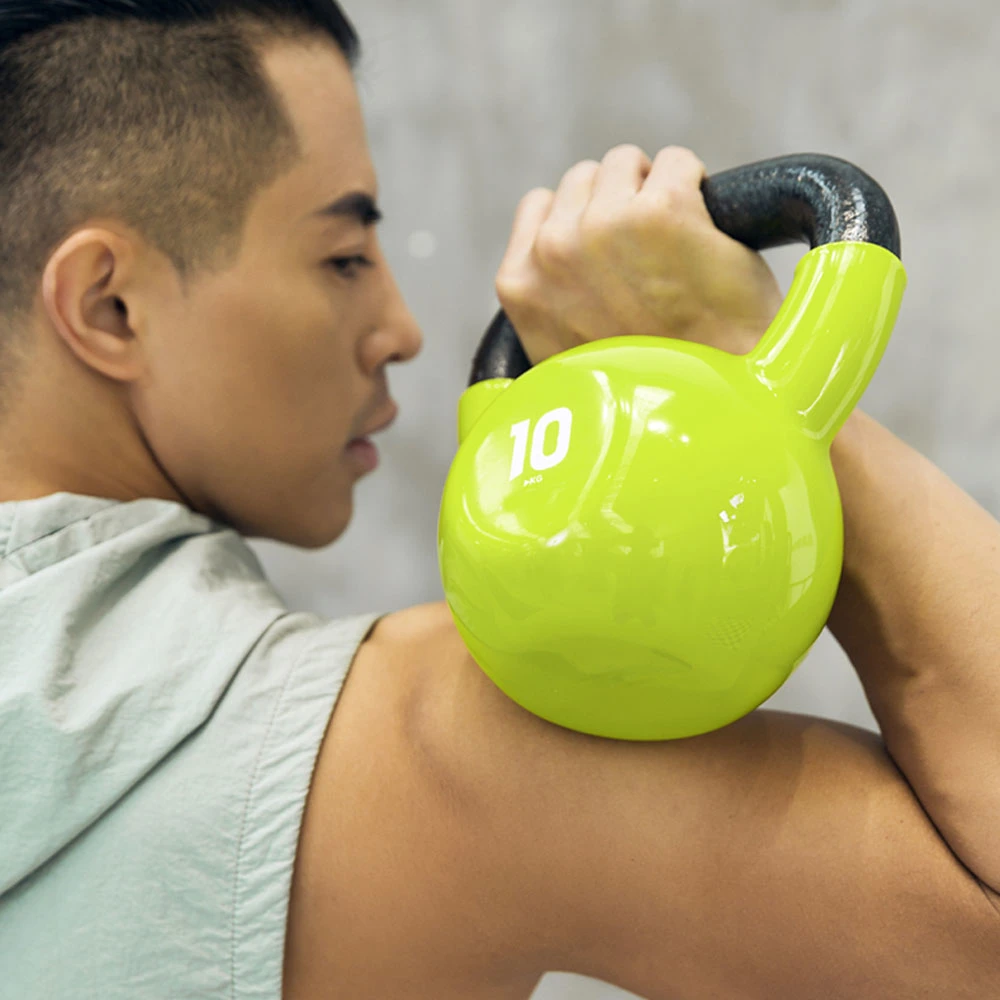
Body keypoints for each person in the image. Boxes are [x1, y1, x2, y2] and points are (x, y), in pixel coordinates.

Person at [0, 2, 996, 998]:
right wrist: (753, 379)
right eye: (344, 256)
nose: (401, 328)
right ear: (106, 304)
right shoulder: (431, 756)